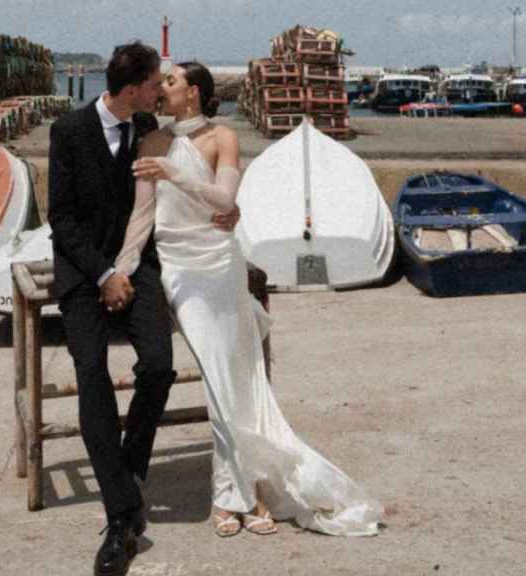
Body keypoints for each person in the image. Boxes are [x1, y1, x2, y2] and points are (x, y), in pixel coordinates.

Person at [121, 62, 383, 538]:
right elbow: (141, 221)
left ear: (194, 93)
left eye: (172, 81)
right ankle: (235, 494)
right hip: (181, 270)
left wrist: (177, 174)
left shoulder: (223, 138)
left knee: (242, 380)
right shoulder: (151, 144)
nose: (162, 88)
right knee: (221, 379)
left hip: (222, 264)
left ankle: (249, 492)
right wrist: (119, 270)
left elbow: (223, 202)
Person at [48, 44, 238, 576]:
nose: (161, 90)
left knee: (157, 366)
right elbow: (60, 220)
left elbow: (185, 186)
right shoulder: (68, 131)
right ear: (132, 88)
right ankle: (121, 518)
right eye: (156, 82)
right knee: (91, 375)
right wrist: (105, 275)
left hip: (142, 267)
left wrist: (232, 208)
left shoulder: (150, 126)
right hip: (85, 273)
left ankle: (126, 471)